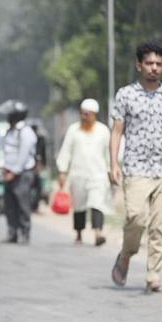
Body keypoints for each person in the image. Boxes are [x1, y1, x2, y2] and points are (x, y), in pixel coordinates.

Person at [110, 40, 162, 293]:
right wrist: (113, 163)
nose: (154, 68)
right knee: (136, 218)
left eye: (158, 64)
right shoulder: (126, 95)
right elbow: (116, 132)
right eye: (149, 63)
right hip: (135, 168)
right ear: (139, 65)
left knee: (160, 225)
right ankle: (126, 254)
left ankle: (153, 277)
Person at [56, 98, 111, 246]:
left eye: (87, 114)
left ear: (94, 115)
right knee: (79, 206)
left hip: (97, 174)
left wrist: (111, 171)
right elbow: (66, 151)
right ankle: (79, 233)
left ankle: (98, 232)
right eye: (82, 114)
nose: (84, 117)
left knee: (97, 203)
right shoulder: (73, 130)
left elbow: (108, 154)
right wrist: (62, 170)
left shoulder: (103, 131)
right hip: (78, 174)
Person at [0, 100, 37, 243]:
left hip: (22, 174)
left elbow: (23, 155)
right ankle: (12, 232)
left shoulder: (26, 132)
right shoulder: (9, 131)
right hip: (9, 174)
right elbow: (4, 151)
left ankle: (25, 233)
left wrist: (13, 172)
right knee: (9, 205)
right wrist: (3, 167)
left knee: (22, 204)